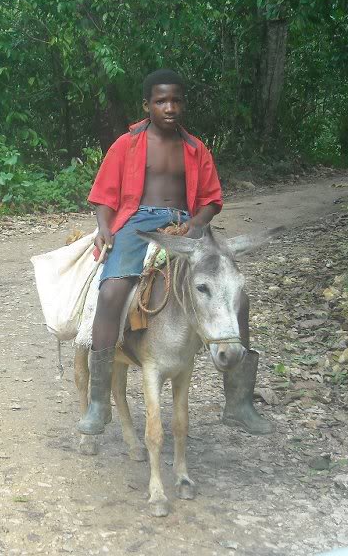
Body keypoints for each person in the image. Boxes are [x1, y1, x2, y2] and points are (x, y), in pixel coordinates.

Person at [76, 69, 273, 436]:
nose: (169, 107)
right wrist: (104, 227)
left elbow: (211, 200)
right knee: (112, 292)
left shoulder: (196, 148)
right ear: (147, 105)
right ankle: (99, 402)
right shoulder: (126, 144)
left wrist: (195, 224)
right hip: (137, 223)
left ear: (183, 104)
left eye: (176, 101)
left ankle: (238, 402)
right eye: (161, 101)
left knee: (238, 298)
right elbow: (104, 194)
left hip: (187, 224)